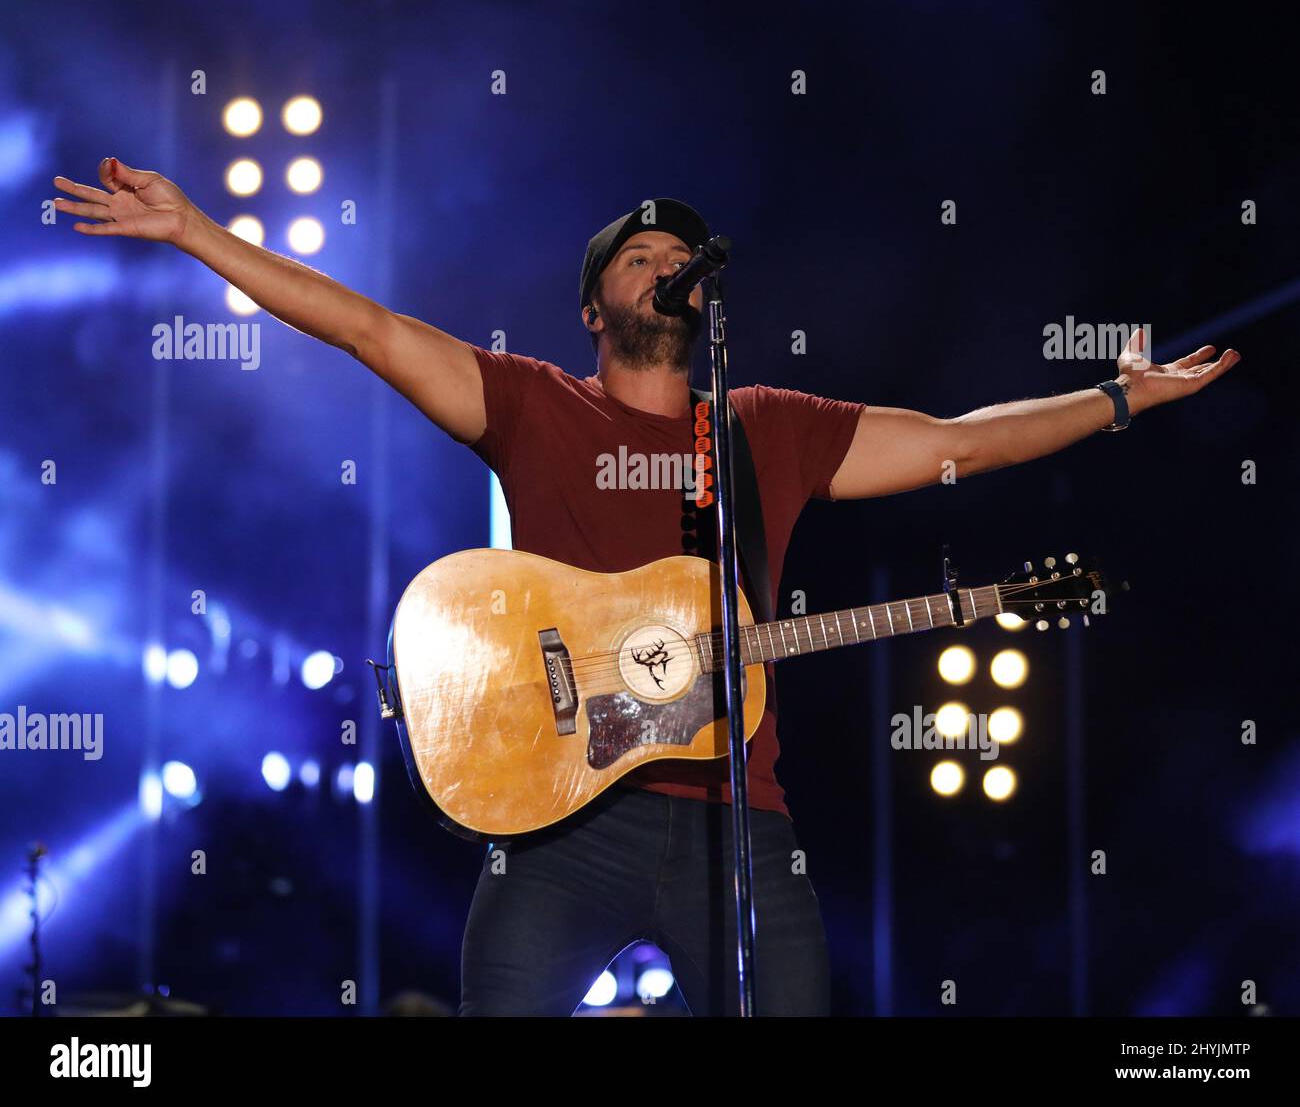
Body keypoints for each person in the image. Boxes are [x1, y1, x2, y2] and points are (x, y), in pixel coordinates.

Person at [52, 162, 1241, 1016]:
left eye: (682, 261)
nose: (667, 268)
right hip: (560, 821)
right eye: (640, 258)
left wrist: (1119, 399)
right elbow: (365, 327)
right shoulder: (533, 405)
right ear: (595, 308)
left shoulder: (766, 428)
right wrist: (199, 232)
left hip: (740, 819)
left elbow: (959, 441)